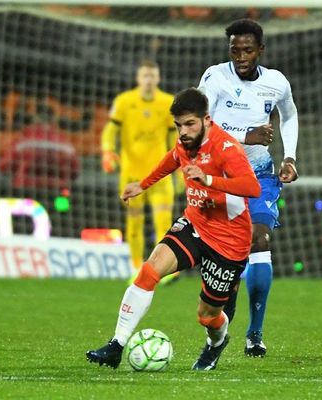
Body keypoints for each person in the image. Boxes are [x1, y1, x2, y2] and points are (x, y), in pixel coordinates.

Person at [86, 88, 261, 371]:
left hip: (229, 241)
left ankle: (216, 343)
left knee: (207, 316)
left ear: (206, 120)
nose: (183, 131)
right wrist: (142, 185)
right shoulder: (185, 143)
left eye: (190, 124)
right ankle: (116, 345)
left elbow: (251, 187)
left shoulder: (226, 148)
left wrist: (209, 179)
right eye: (179, 125)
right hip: (195, 223)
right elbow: (172, 158)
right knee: (149, 270)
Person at [198, 19, 299, 357]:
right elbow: (203, 126)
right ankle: (220, 326)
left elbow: (289, 115)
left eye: (247, 50)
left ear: (260, 51)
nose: (240, 56)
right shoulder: (215, 78)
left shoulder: (276, 82)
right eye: (235, 50)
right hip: (222, 178)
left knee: (259, 237)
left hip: (259, 175)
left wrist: (291, 158)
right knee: (230, 254)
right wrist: (246, 137)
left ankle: (254, 334)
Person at [101, 61, 178, 282]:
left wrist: (180, 169)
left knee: (163, 221)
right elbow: (110, 130)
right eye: (145, 75)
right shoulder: (124, 101)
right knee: (134, 222)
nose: (149, 80)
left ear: (158, 78)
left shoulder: (167, 102)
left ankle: (161, 271)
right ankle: (136, 268)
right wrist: (107, 151)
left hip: (160, 175)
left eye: (152, 76)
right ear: (138, 78)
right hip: (132, 175)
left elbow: (174, 137)